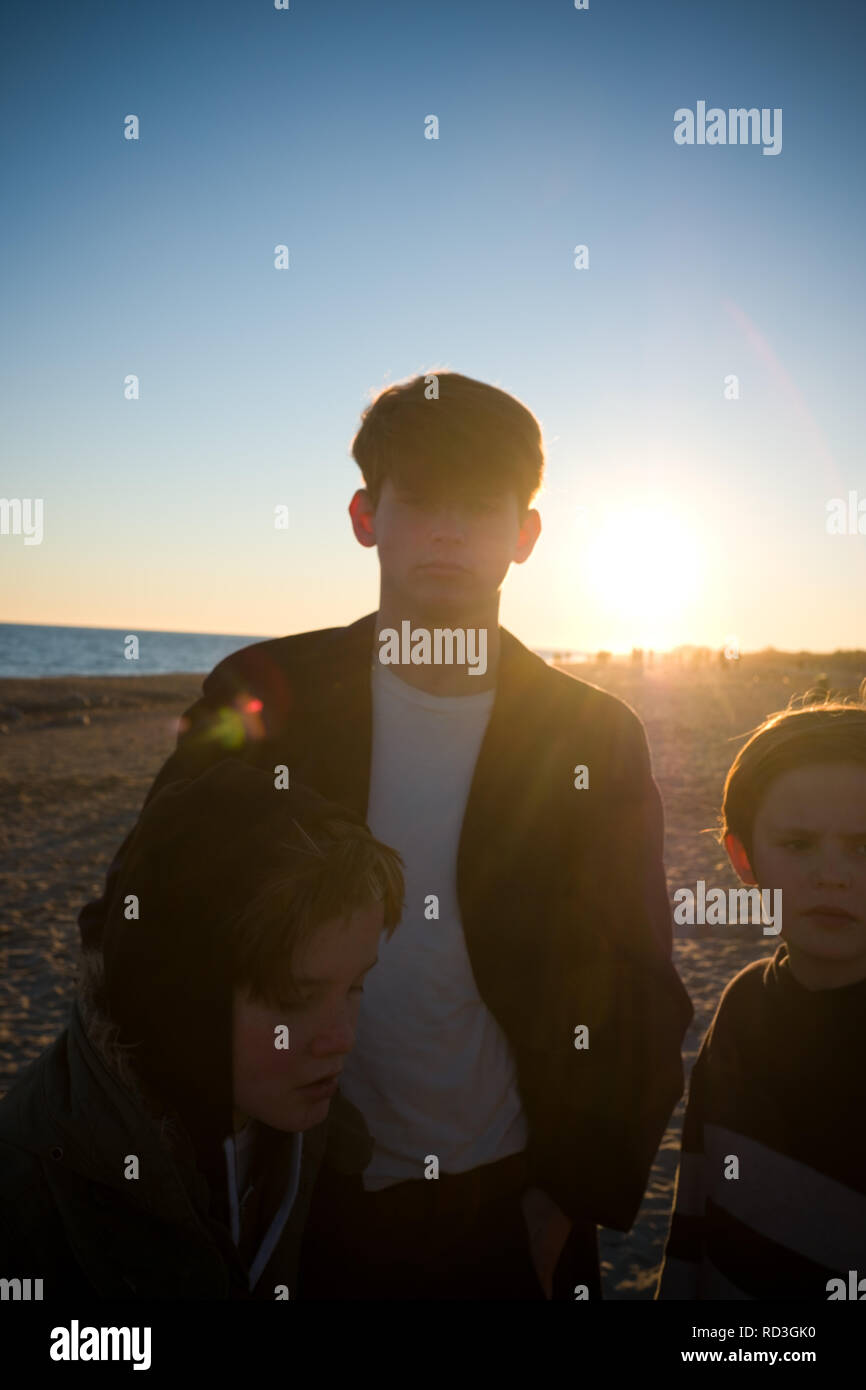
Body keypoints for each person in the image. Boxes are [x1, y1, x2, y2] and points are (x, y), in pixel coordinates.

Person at [78, 370, 692, 1300]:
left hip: (510, 1200)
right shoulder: (265, 689)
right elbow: (135, 915)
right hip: (297, 1191)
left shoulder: (593, 736)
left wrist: (566, 1199)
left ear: (525, 536)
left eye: (481, 504)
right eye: (422, 499)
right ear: (367, 516)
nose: (449, 530)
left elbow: (641, 983)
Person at [0, 760, 404, 1299]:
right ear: (183, 994)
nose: (342, 1039)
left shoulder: (321, 1139)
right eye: (295, 998)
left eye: (355, 987)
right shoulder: (29, 1197)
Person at [657, 694, 866, 1300]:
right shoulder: (742, 1004)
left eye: (863, 845)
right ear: (744, 859)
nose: (833, 874)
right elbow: (692, 1210)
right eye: (798, 845)